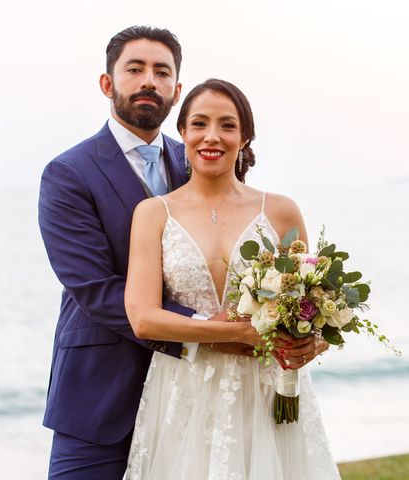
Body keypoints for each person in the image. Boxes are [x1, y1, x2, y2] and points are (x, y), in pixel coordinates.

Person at [38, 26, 325, 479]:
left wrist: (301, 332)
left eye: (161, 71)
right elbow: (95, 289)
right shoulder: (68, 174)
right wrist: (217, 333)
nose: (148, 80)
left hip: (216, 394)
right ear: (108, 83)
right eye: (135, 69)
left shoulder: (200, 155)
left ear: (176, 93)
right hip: (101, 390)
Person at [124, 79, 340, 479]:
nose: (212, 137)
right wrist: (238, 335)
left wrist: (311, 342)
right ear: (183, 132)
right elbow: (143, 318)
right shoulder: (153, 213)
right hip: (185, 392)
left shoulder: (281, 211)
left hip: (265, 392)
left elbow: (314, 308)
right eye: (200, 124)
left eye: (227, 125)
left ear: (244, 138)